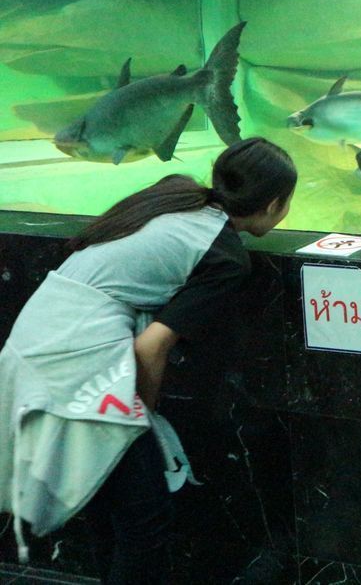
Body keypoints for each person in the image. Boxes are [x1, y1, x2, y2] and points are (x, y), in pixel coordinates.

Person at [0, 137, 296, 583]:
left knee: (110, 511)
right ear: (275, 203)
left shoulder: (176, 195)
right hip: (77, 367)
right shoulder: (225, 255)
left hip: (34, 344)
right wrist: (141, 414)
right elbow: (151, 346)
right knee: (145, 522)